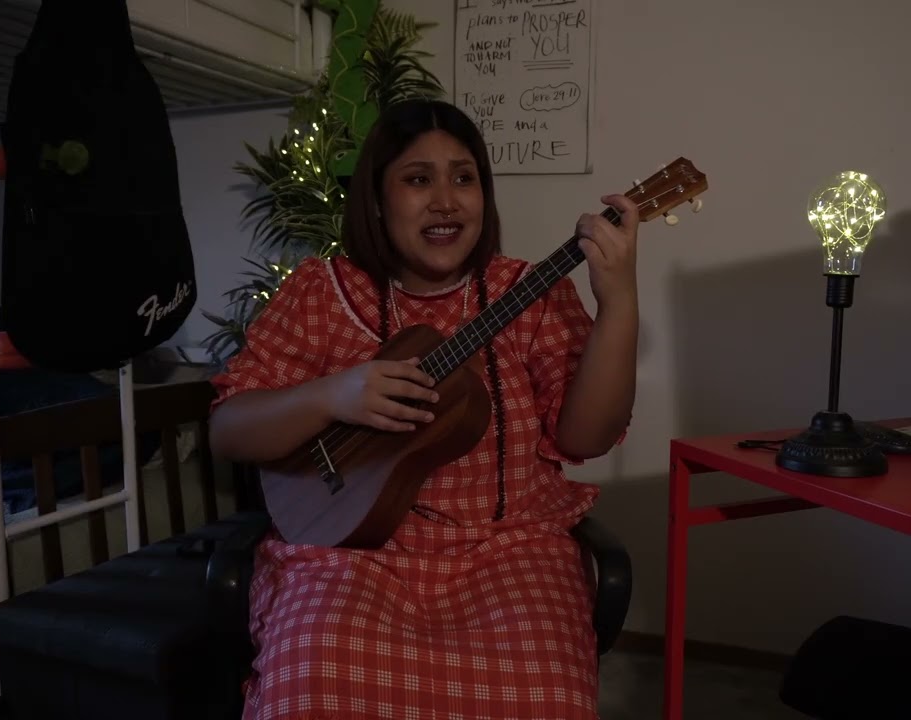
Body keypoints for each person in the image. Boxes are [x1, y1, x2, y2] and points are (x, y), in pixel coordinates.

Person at [208, 98, 640, 719]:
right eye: (418, 179)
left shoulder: (528, 293)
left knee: (544, 693)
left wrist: (618, 301)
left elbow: (588, 436)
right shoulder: (321, 292)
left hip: (510, 550)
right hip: (346, 556)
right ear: (378, 202)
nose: (446, 200)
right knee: (311, 680)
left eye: (464, 178)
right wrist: (335, 394)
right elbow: (229, 429)